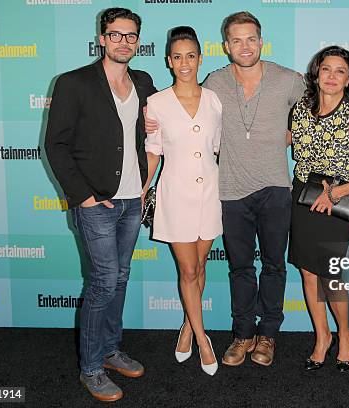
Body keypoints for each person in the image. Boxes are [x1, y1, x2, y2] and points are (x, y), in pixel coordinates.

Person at [146, 11, 305, 367]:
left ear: (261, 41)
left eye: (251, 39)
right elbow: (183, 115)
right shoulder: (214, 83)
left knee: (275, 265)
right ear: (226, 45)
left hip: (276, 188)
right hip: (230, 190)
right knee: (240, 268)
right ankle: (243, 334)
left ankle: (268, 335)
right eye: (236, 40)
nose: (244, 46)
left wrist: (295, 135)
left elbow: (319, 103)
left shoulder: (287, 79)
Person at [44, 8, 156, 402]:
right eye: (116, 34)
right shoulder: (74, 83)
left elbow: (149, 129)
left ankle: (110, 350)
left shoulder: (143, 81)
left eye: (131, 35)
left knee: (121, 278)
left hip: (131, 199)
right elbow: (55, 146)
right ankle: (91, 368)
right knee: (103, 281)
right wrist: (84, 196)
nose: (123, 41)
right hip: (96, 202)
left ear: (138, 41)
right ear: (102, 38)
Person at [287, 46, 349, 372]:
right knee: (307, 271)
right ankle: (322, 337)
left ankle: (346, 335)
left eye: (340, 71)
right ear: (316, 73)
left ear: (348, 80)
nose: (331, 77)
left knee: (330, 274)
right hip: (301, 196)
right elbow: (279, 142)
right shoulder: (299, 109)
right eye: (326, 69)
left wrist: (335, 193)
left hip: (336, 202)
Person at [143, 26, 222, 376]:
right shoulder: (156, 103)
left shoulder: (215, 100)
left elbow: (219, 148)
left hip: (211, 193)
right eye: (178, 56)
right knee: (188, 270)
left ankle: (188, 326)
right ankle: (203, 338)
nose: (185, 62)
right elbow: (153, 152)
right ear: (169, 61)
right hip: (175, 195)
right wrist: (143, 189)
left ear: (200, 58)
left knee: (201, 268)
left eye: (191, 55)